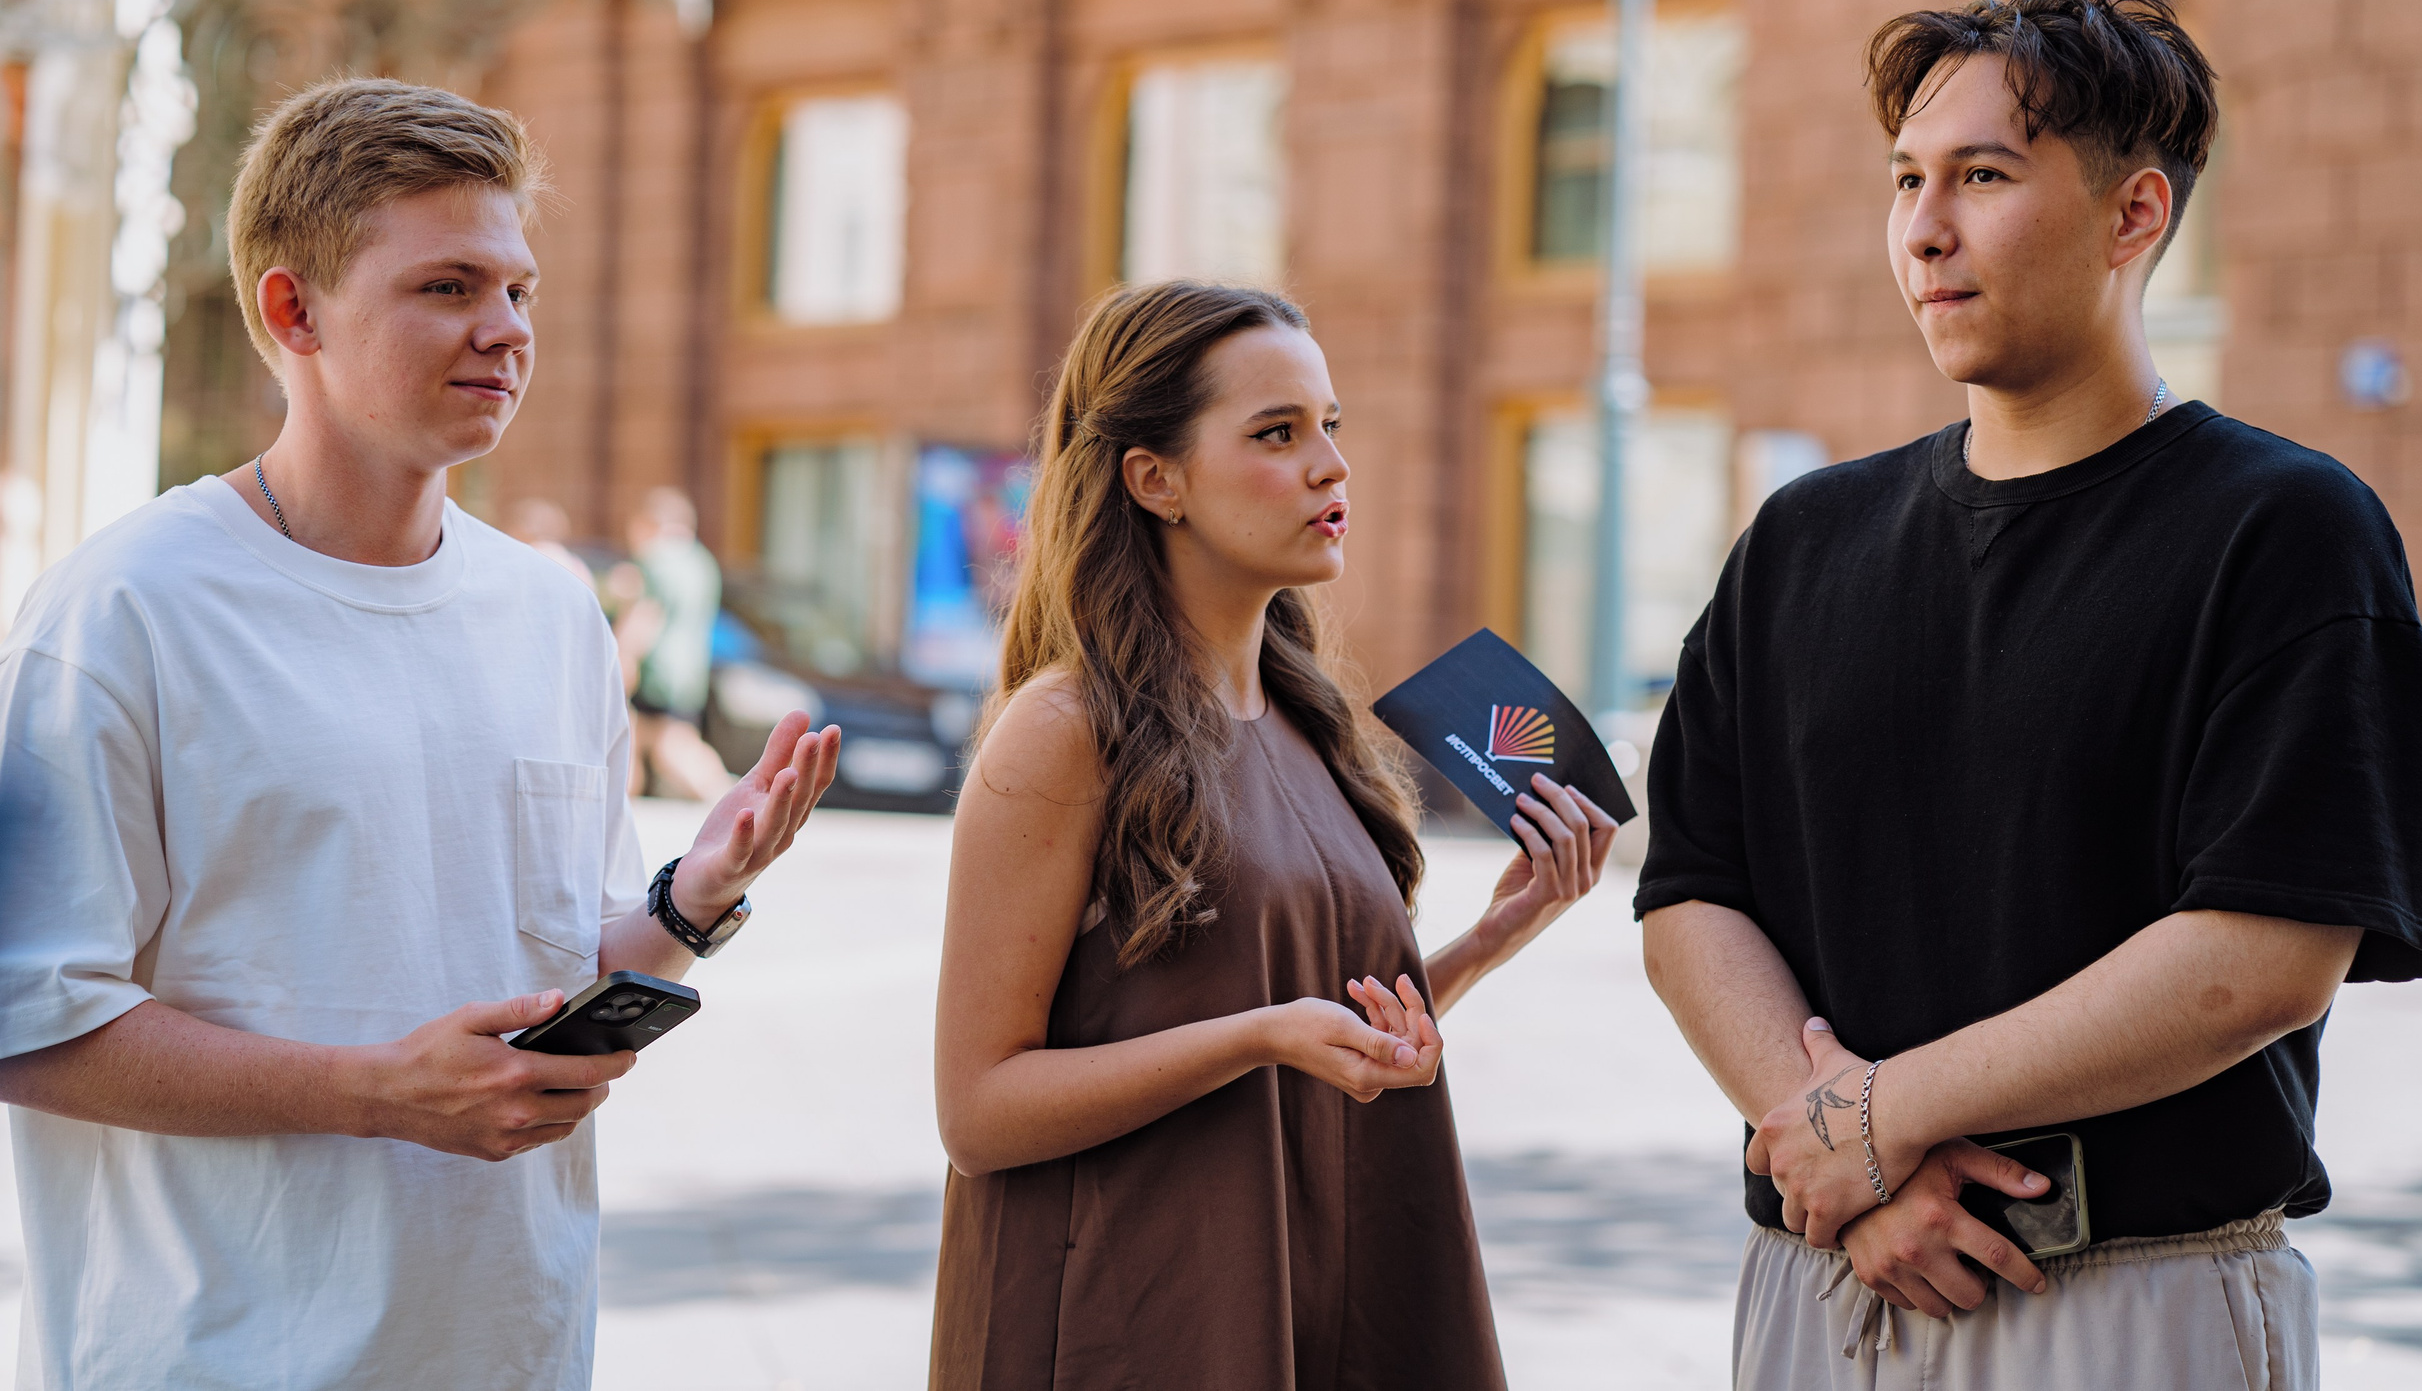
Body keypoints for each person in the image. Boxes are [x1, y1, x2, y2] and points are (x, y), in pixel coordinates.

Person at [1636, 0, 2422, 1387]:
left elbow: (2265, 954)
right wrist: (1849, 1154)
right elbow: (1692, 889)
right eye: (1906, 179)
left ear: (2136, 215)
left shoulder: (2285, 527)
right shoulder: (1804, 537)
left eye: (1984, 177)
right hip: (1822, 1282)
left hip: (2135, 1302)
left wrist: (1883, 1115)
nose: (1924, 228)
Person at [0, 78, 841, 1391]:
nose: (505, 329)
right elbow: (26, 1016)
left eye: (520, 290)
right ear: (294, 311)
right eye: (448, 286)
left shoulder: (554, 612)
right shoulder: (124, 610)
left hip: (514, 1347)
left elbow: (539, 979)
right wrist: (371, 1088)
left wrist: (694, 892)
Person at [929, 281, 1618, 1390]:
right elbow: (977, 1110)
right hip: (1141, 1314)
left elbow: (1318, 1030)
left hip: (1320, 1275)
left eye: (1330, 427)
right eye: (1275, 433)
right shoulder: (1061, 731)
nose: (1330, 466)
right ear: (1155, 481)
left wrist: (1493, 936)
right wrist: (1254, 1037)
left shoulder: (1312, 723)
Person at [621, 486, 733, 801]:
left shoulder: (656, 560)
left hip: (655, 670)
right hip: (689, 671)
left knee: (663, 744)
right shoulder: (702, 562)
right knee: (654, 739)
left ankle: (728, 800)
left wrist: (622, 658)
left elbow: (644, 618)